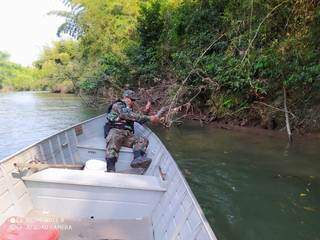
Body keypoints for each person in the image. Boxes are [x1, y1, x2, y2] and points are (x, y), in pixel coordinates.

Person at [105, 90, 159, 172]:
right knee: (113, 142)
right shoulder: (118, 105)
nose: (133, 102)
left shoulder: (130, 109)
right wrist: (149, 118)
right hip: (116, 130)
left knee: (143, 140)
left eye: (134, 100)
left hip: (127, 134)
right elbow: (126, 115)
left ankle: (137, 159)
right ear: (126, 98)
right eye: (132, 100)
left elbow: (139, 119)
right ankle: (110, 168)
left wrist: (148, 113)